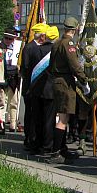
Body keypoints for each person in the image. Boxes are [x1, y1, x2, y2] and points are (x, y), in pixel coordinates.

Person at [48, 17, 87, 164]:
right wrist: (84, 78)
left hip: (57, 80)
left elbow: (51, 64)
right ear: (75, 29)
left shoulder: (57, 43)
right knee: (63, 118)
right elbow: (74, 65)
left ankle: (62, 148)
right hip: (66, 82)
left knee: (63, 116)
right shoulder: (68, 43)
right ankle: (56, 152)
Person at [20, 23, 55, 155]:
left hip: (37, 88)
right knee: (32, 115)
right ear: (42, 36)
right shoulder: (29, 47)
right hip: (32, 87)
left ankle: (34, 140)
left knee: (37, 116)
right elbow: (26, 68)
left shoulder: (37, 47)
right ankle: (30, 139)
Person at [0, 28, 22, 136]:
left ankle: (13, 123)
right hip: (2, 77)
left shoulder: (18, 47)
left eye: (10, 39)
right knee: (2, 101)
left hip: (14, 76)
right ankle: (1, 123)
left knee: (14, 101)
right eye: (6, 38)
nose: (8, 40)